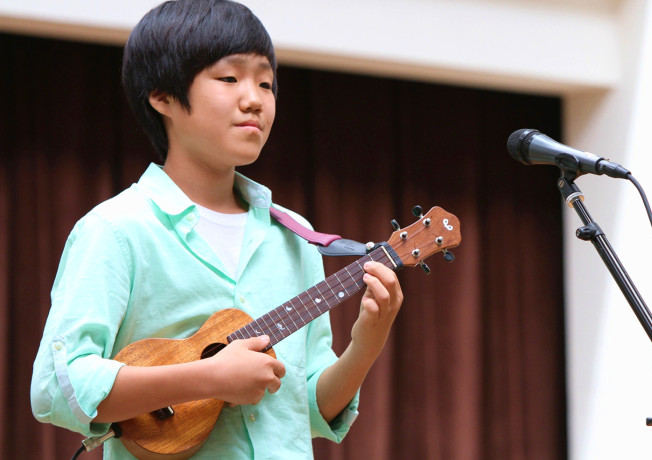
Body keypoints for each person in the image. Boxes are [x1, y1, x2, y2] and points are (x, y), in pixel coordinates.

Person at [30, 0, 403, 458]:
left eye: (265, 82)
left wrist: (366, 344)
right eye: (229, 78)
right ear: (162, 96)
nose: (255, 98)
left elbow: (305, 409)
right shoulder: (117, 228)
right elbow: (55, 386)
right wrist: (207, 377)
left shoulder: (295, 235)